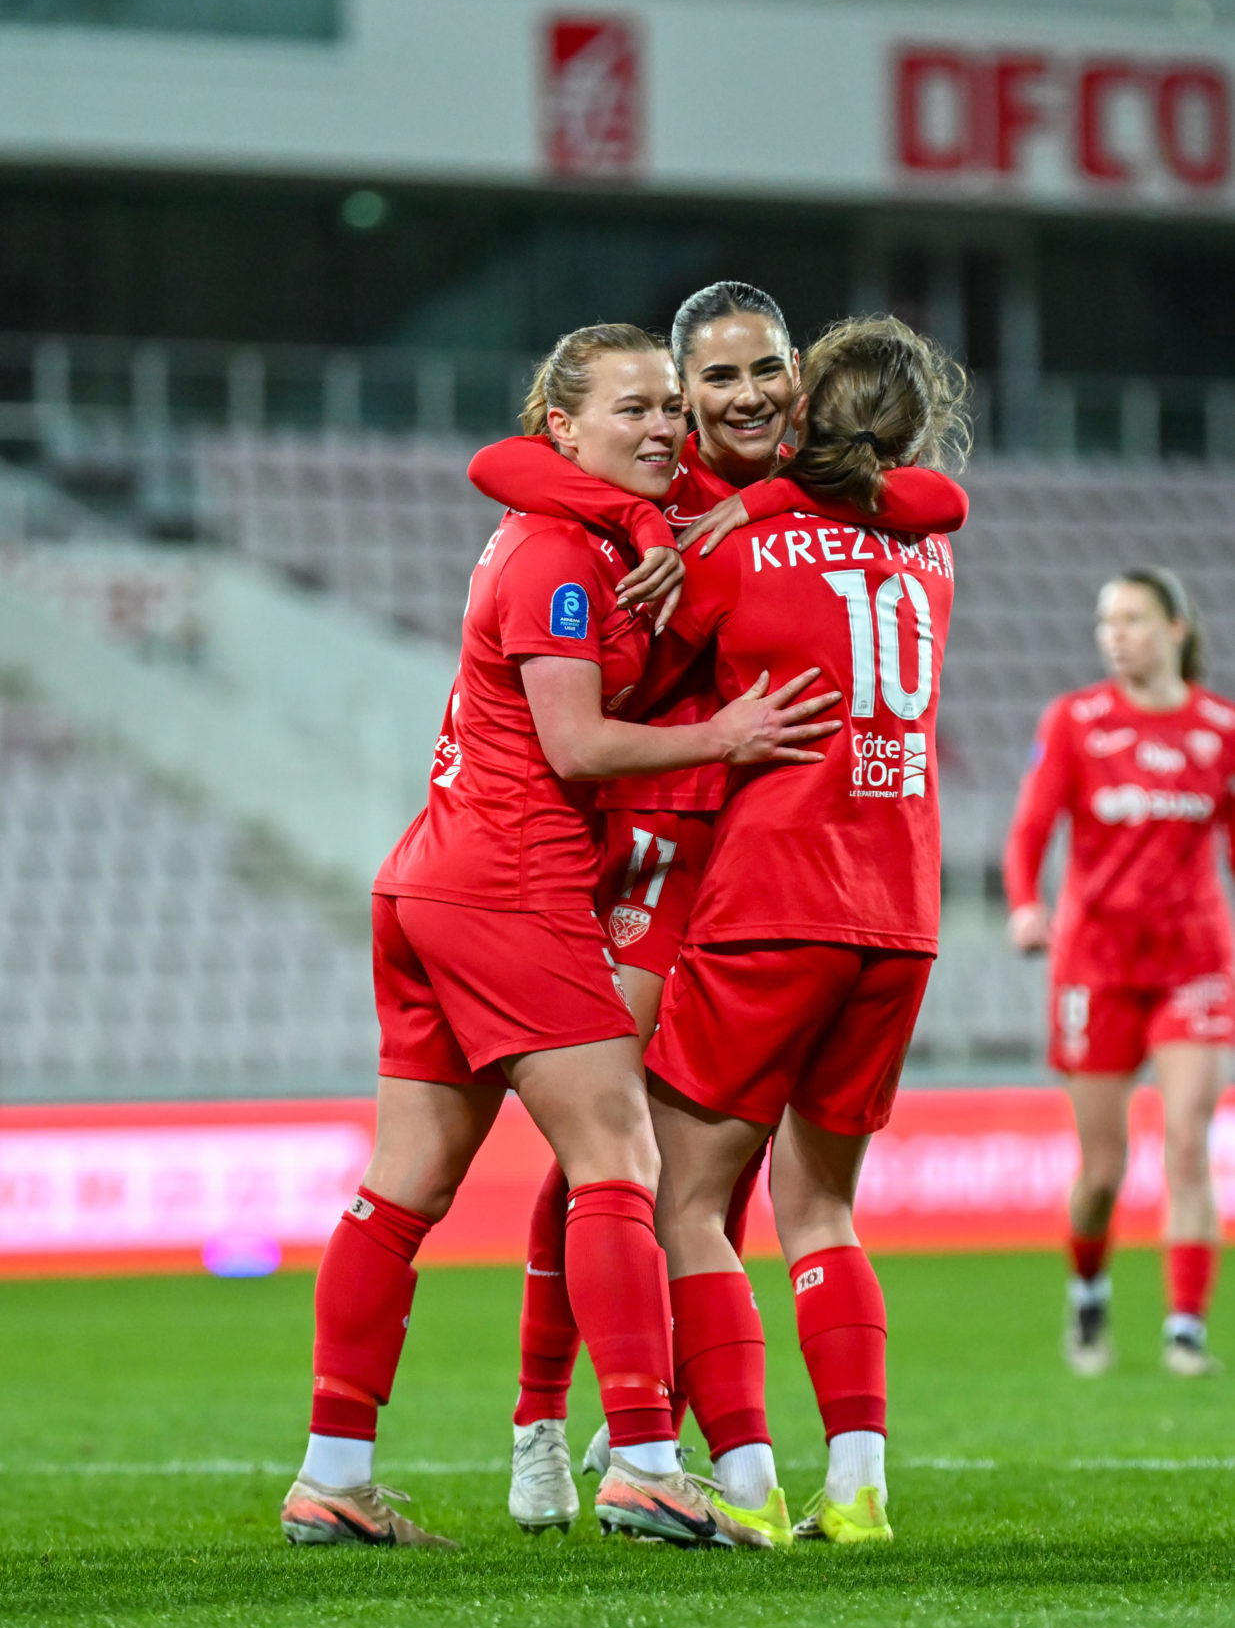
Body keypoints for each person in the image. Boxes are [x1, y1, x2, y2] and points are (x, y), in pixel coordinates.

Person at [278, 322, 837, 1554]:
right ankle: (641, 1460)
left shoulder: (578, 530)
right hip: (510, 882)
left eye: (665, 407)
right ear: (563, 427)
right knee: (617, 1157)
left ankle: (331, 1475)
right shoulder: (554, 557)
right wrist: (725, 737)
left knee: (404, 1188)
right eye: (633, 408)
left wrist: (646, 521)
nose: (661, 426)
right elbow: (575, 747)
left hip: (435, 878)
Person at [468, 286, 969, 1535]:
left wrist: (752, 507)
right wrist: (642, 516)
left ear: (799, 383)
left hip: (757, 869)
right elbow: (503, 464)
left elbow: (929, 494)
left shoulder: (793, 506)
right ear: (682, 394)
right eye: (719, 379)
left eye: (767, 372)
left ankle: (673, 1423)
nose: (746, 396)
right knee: (613, 1151)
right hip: (673, 848)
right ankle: (545, 1420)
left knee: (693, 1173)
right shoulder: (659, 476)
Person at [641, 313, 968, 1548]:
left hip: (773, 900)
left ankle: (743, 1480)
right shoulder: (929, 550)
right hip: (900, 912)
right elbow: (918, 501)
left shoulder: (736, 545)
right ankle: (858, 1484)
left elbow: (638, 682)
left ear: (800, 410)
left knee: (686, 1199)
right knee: (821, 1204)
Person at [1004, 568, 1235, 1378]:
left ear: (1174, 628)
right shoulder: (1074, 722)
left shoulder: (1220, 729)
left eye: (1132, 619)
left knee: (1186, 1144)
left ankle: (1184, 1330)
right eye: (1107, 622)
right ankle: (1088, 1293)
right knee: (1101, 1171)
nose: (1115, 636)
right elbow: (1029, 829)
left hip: (1192, 966)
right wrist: (1024, 905)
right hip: (1093, 968)